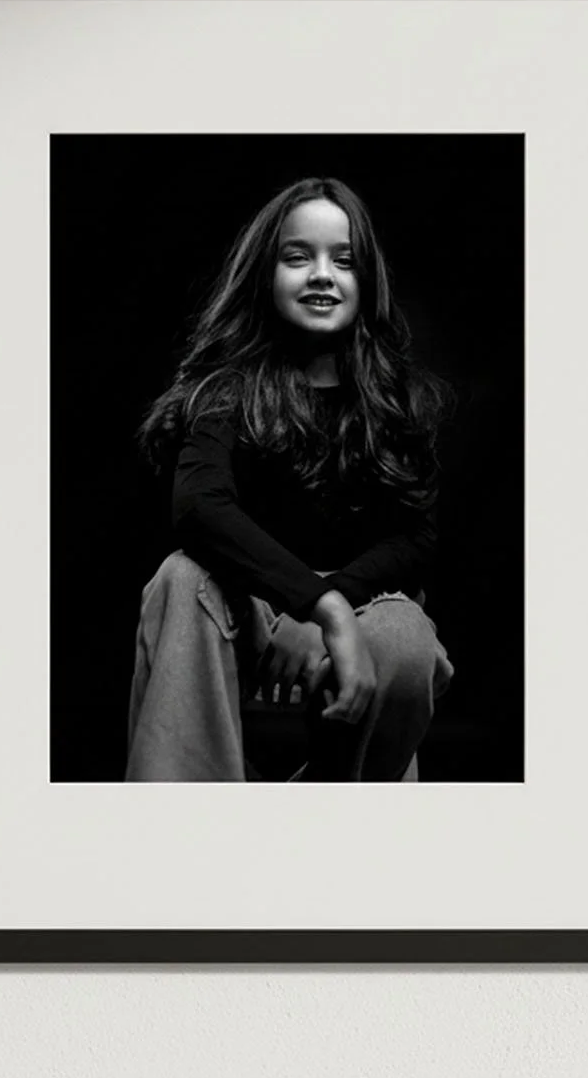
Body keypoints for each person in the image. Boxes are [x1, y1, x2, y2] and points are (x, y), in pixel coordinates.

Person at [126, 176, 453, 781]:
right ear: (265, 276)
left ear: (367, 281)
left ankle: (330, 814)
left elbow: (416, 540)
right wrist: (318, 605)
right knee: (180, 573)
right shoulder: (224, 392)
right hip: (240, 609)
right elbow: (199, 509)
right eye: (298, 256)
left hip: (360, 611)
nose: (322, 274)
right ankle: (180, 824)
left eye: (344, 260)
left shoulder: (396, 402)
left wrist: (330, 606)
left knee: (406, 632)